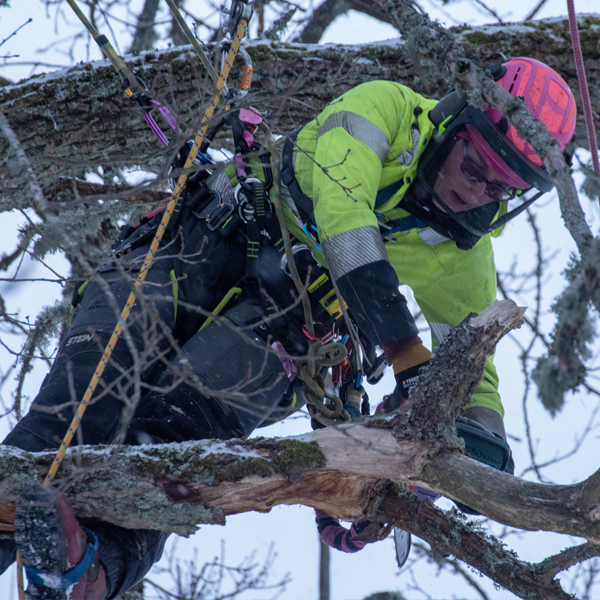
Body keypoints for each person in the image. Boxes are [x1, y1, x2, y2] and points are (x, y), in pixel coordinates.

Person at [0, 56, 576, 599]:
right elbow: (343, 216)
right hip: (196, 242)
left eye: (500, 187)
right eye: (475, 166)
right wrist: (405, 350)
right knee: (78, 401)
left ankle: (87, 574)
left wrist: (477, 457)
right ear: (453, 124)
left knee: (171, 443)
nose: (477, 191)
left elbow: (474, 376)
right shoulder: (387, 111)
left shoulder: (462, 254)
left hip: (284, 329)